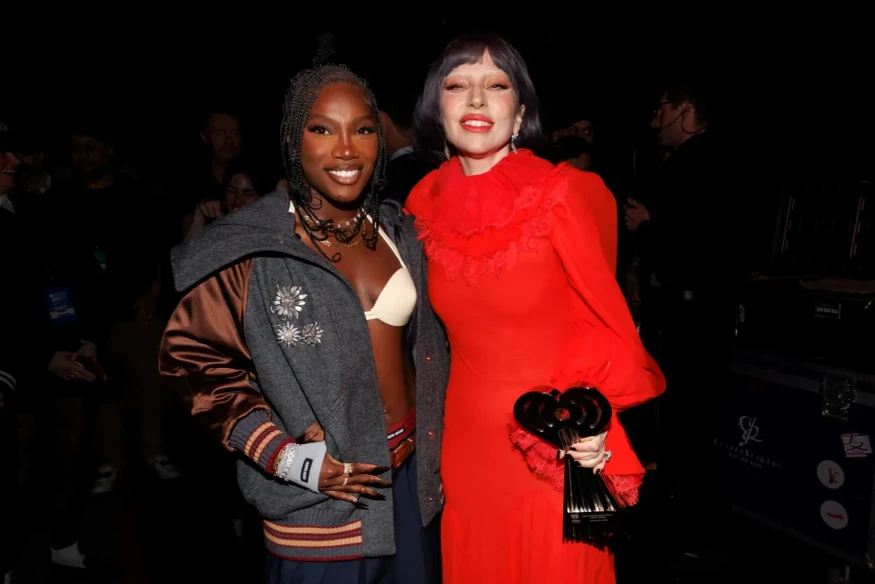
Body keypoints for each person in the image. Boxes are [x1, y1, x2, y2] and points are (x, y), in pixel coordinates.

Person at [159, 58, 448, 584]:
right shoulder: (255, 248)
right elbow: (191, 360)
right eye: (323, 130)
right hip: (322, 509)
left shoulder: (400, 231)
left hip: (413, 484)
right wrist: (290, 460)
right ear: (294, 141)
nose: (346, 149)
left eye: (363, 129)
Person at [405, 33, 665, 583]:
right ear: (436, 108)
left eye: (496, 85)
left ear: (520, 111)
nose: (477, 99)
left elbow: (603, 317)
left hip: (553, 445)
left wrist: (592, 417)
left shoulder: (571, 193)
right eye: (458, 85)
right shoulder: (422, 204)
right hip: (467, 450)